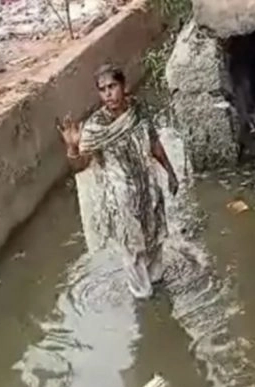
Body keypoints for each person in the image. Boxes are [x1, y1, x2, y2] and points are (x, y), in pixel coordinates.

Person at [56, 64, 179, 299]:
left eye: (112, 87)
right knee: (133, 250)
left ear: (124, 87)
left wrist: (170, 174)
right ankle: (143, 299)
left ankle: (158, 289)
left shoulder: (137, 110)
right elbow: (80, 166)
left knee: (154, 240)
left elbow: (153, 143)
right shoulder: (96, 127)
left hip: (148, 189)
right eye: (102, 90)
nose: (108, 94)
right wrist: (72, 146)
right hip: (121, 198)